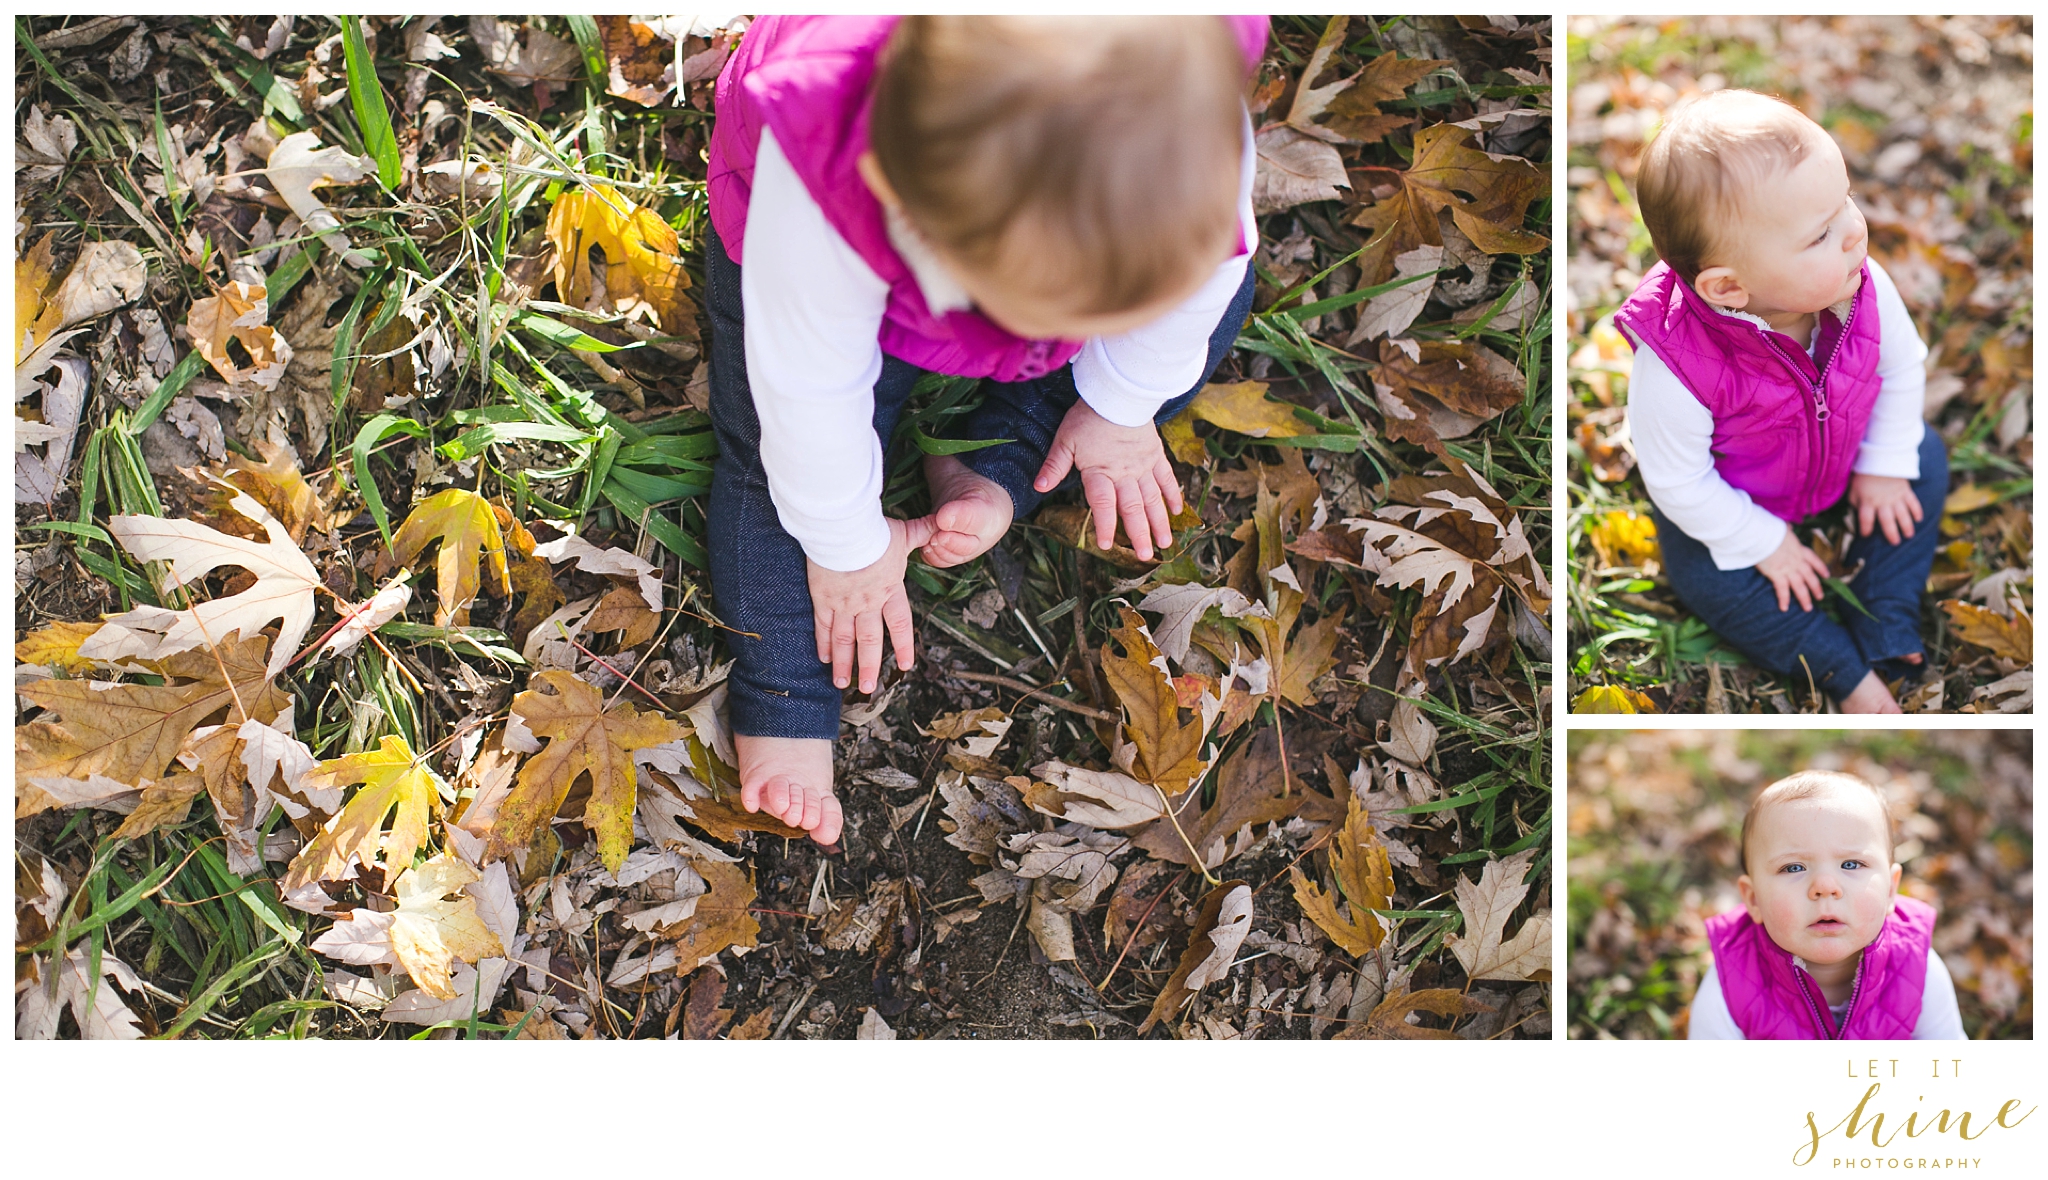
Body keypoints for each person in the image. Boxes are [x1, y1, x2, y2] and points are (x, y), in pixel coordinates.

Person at [703, 16, 1266, 844]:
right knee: (773, 467)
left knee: (1186, 340)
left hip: (1035, 241)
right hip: (837, 271)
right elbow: (805, 392)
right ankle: (785, 694)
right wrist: (847, 549)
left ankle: (997, 466)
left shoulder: (1181, 125)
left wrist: (1121, 403)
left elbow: (1204, 276)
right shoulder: (826, 185)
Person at [1614, 90, 1945, 713]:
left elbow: (1903, 368)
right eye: (1821, 233)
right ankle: (1839, 669)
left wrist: (1883, 465)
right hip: (1735, 499)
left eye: (1844, 199)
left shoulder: (1863, 287)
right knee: (1701, 573)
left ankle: (1887, 618)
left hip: (1843, 461)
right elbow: (1678, 481)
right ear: (1729, 287)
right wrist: (1760, 539)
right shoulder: (1675, 363)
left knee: (1923, 457)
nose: (1854, 233)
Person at [1688, 770, 1963, 1039]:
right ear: (1754, 899)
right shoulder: (1730, 983)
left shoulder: (1916, 967)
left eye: (1851, 864)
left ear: (1891, 890)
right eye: (1794, 867)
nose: (1825, 886)